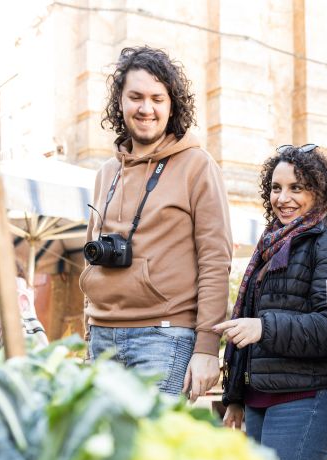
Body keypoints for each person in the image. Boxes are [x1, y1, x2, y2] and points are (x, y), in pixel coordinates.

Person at [216, 144, 327, 460]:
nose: (283, 198)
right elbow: (246, 327)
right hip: (263, 397)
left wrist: (264, 326)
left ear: (320, 192)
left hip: (310, 396)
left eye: (297, 188)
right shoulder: (269, 247)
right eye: (276, 188)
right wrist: (235, 397)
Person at [80, 46, 232, 399]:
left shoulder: (197, 166)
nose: (146, 108)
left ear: (171, 105)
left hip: (164, 337)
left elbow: (215, 260)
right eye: (135, 97)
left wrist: (208, 347)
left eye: (156, 98)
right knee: (104, 455)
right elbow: (91, 256)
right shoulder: (106, 172)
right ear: (120, 102)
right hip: (101, 337)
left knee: (148, 452)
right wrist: (89, 326)